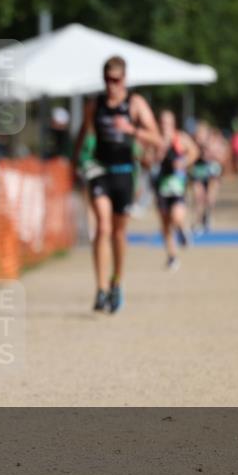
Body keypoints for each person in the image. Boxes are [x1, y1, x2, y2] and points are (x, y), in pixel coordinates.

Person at [72, 56, 161, 313]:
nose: (112, 85)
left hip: (124, 173)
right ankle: (100, 289)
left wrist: (132, 130)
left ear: (125, 79)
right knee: (102, 225)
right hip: (100, 169)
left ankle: (116, 282)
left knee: (119, 233)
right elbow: (84, 132)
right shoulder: (95, 104)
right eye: (108, 80)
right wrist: (76, 161)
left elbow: (157, 139)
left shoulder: (135, 104)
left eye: (117, 80)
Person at [154, 110, 199, 270]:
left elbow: (194, 152)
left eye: (167, 122)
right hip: (160, 186)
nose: (164, 125)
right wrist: (155, 156)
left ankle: (182, 229)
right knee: (165, 224)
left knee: (176, 217)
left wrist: (184, 162)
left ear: (173, 123)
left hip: (177, 186)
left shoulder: (180, 138)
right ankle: (172, 256)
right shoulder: (156, 139)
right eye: (162, 122)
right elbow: (146, 157)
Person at [188, 121, 224, 235]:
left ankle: (207, 216)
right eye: (198, 133)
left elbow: (222, 158)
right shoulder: (192, 144)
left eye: (202, 133)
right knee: (198, 198)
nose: (199, 136)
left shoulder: (214, 142)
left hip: (212, 174)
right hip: (198, 174)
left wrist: (209, 152)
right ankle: (196, 222)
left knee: (209, 198)